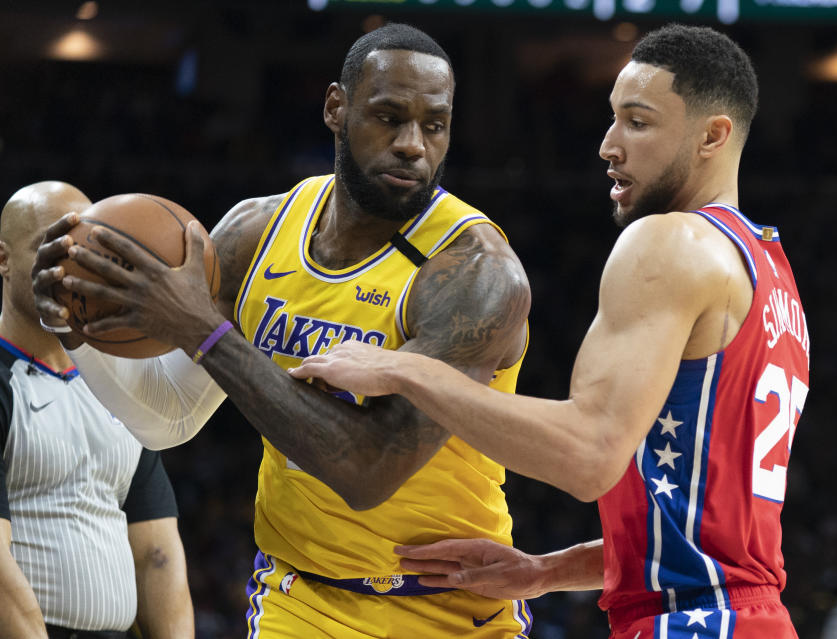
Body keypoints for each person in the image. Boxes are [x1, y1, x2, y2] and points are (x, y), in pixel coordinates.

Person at [288, 24, 811, 639]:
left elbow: (589, 456)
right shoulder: (770, 270)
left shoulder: (668, 241)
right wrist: (545, 571)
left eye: (637, 123)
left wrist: (406, 368)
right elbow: (708, 532)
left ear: (712, 136)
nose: (608, 145)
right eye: (613, 119)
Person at [32, 25, 532, 638]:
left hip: (450, 606)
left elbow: (369, 471)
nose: (412, 145)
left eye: (435, 124)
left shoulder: (476, 275)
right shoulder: (255, 232)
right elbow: (170, 417)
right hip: (300, 596)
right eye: (388, 116)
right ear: (335, 108)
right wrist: (79, 330)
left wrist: (202, 328)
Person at [0, 181, 193, 639]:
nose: (68, 266)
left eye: (84, 248)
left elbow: (156, 552)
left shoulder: (121, 381)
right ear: (3, 260)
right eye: (50, 246)